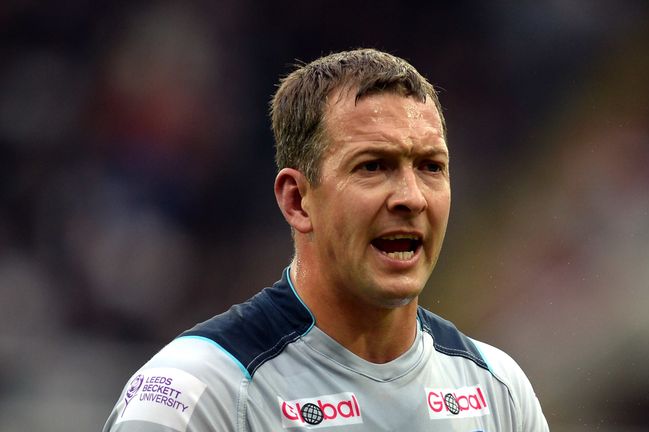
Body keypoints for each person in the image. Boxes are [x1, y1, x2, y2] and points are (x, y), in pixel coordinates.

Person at [103, 48, 549, 431]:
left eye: (431, 167)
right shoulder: (199, 393)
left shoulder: (497, 391)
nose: (412, 197)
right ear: (297, 201)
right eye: (373, 166)